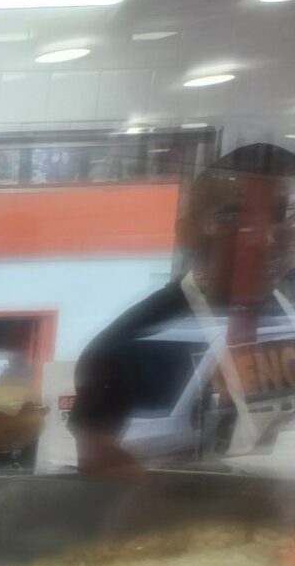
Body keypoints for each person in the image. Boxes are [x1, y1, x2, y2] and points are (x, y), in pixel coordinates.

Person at [71, 143, 295, 478]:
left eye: (280, 216)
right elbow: (100, 466)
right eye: (235, 216)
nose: (263, 238)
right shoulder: (129, 347)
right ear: (187, 233)